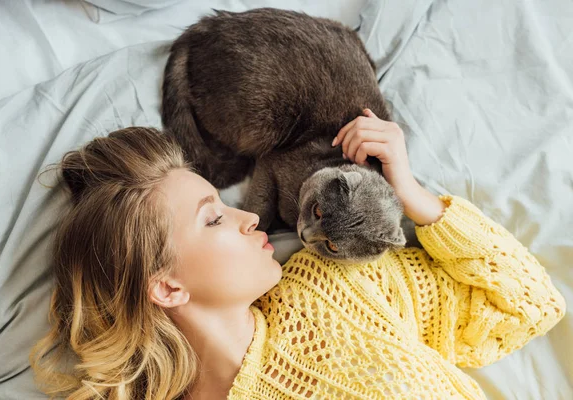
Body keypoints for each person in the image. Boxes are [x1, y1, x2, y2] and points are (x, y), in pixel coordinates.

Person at [30, 111, 566, 400]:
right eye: (214, 218)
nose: (249, 217)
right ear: (168, 286)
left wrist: (414, 196)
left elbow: (528, 306)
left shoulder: (333, 282)